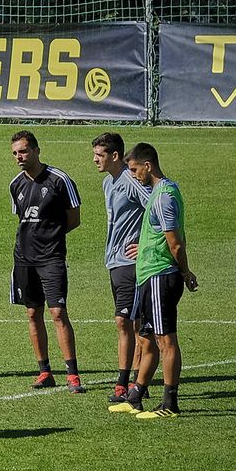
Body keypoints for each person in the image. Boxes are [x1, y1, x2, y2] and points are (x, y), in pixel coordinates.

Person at [113, 143, 198, 419]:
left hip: (162, 275)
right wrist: (146, 246)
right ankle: (136, 396)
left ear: (148, 165)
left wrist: (185, 272)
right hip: (149, 274)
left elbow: (175, 243)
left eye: (135, 169)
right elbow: (161, 235)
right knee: (147, 340)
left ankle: (170, 404)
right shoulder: (157, 194)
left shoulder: (164, 196)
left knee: (165, 340)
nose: (134, 175)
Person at [9, 130, 85, 393]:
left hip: (51, 258)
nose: (20, 157)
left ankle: (73, 375)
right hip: (24, 259)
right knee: (32, 313)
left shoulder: (60, 180)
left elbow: (74, 218)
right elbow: (21, 220)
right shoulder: (15, 184)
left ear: (37, 150)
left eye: (24, 151)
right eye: (16, 153)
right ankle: (44, 371)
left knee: (58, 313)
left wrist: (52, 236)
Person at [92, 132, 145, 405]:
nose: (94, 160)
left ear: (114, 156)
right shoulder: (107, 183)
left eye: (99, 155)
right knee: (130, 322)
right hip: (114, 262)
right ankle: (139, 382)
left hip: (130, 263)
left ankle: (126, 383)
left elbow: (156, 209)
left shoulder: (131, 181)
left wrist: (145, 244)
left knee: (125, 322)